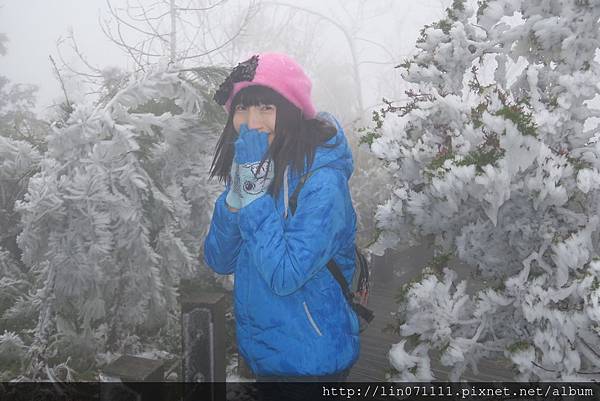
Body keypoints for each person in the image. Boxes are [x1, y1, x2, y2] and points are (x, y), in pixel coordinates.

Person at [203, 52, 359, 383]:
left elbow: (285, 275)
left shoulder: (323, 182)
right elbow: (219, 259)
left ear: (291, 111)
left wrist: (254, 194)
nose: (251, 121)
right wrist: (235, 198)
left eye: (266, 108)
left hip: (310, 364)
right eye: (242, 108)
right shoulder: (256, 170)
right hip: (264, 355)